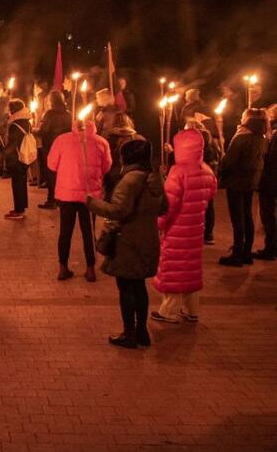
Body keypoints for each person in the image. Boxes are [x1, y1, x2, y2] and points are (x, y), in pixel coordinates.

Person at [87, 140, 166, 348]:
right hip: (148, 238)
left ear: (128, 157)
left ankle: (129, 333)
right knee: (139, 285)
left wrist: (92, 203)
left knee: (126, 287)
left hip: (128, 241)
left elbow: (118, 210)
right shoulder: (155, 178)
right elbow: (164, 207)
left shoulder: (130, 180)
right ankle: (142, 331)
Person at [151, 129, 217, 323]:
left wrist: (158, 224)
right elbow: (211, 193)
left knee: (174, 267)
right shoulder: (206, 169)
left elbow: (168, 204)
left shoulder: (178, 172)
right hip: (196, 228)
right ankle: (191, 310)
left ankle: (168, 311)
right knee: (191, 268)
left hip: (177, 229)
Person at [47, 117, 112, 282]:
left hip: (66, 193)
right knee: (88, 231)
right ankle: (90, 269)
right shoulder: (101, 142)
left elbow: (51, 164)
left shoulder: (61, 140)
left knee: (65, 231)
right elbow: (107, 167)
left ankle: (63, 267)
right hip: (89, 195)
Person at [217, 107, 268, 266]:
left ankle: (237, 254)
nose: (240, 118)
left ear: (248, 119)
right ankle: (246, 252)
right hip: (250, 181)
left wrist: (222, 162)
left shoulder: (241, 137)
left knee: (237, 219)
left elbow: (229, 162)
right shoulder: (262, 137)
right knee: (247, 216)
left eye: (243, 116)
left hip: (236, 181)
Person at [35, 91, 72, 209]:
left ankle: (52, 200)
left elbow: (44, 131)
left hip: (51, 146)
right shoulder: (68, 114)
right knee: (61, 173)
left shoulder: (49, 114)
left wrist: (34, 130)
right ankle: (61, 199)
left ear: (51, 100)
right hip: (65, 147)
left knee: (51, 173)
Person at [102, 112, 144, 201]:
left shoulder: (107, 140)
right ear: (129, 123)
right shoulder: (139, 139)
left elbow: (104, 161)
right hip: (134, 178)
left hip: (113, 179)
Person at [254, 105, 277, 260]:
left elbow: (271, 158)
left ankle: (271, 248)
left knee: (268, 216)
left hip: (271, 181)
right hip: (271, 179)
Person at [3, 99, 32, 219]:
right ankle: (21, 208)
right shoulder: (26, 121)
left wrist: (4, 152)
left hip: (17, 158)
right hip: (25, 156)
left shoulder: (15, 124)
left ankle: (18, 210)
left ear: (13, 110)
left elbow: (13, 143)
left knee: (17, 184)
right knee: (22, 183)